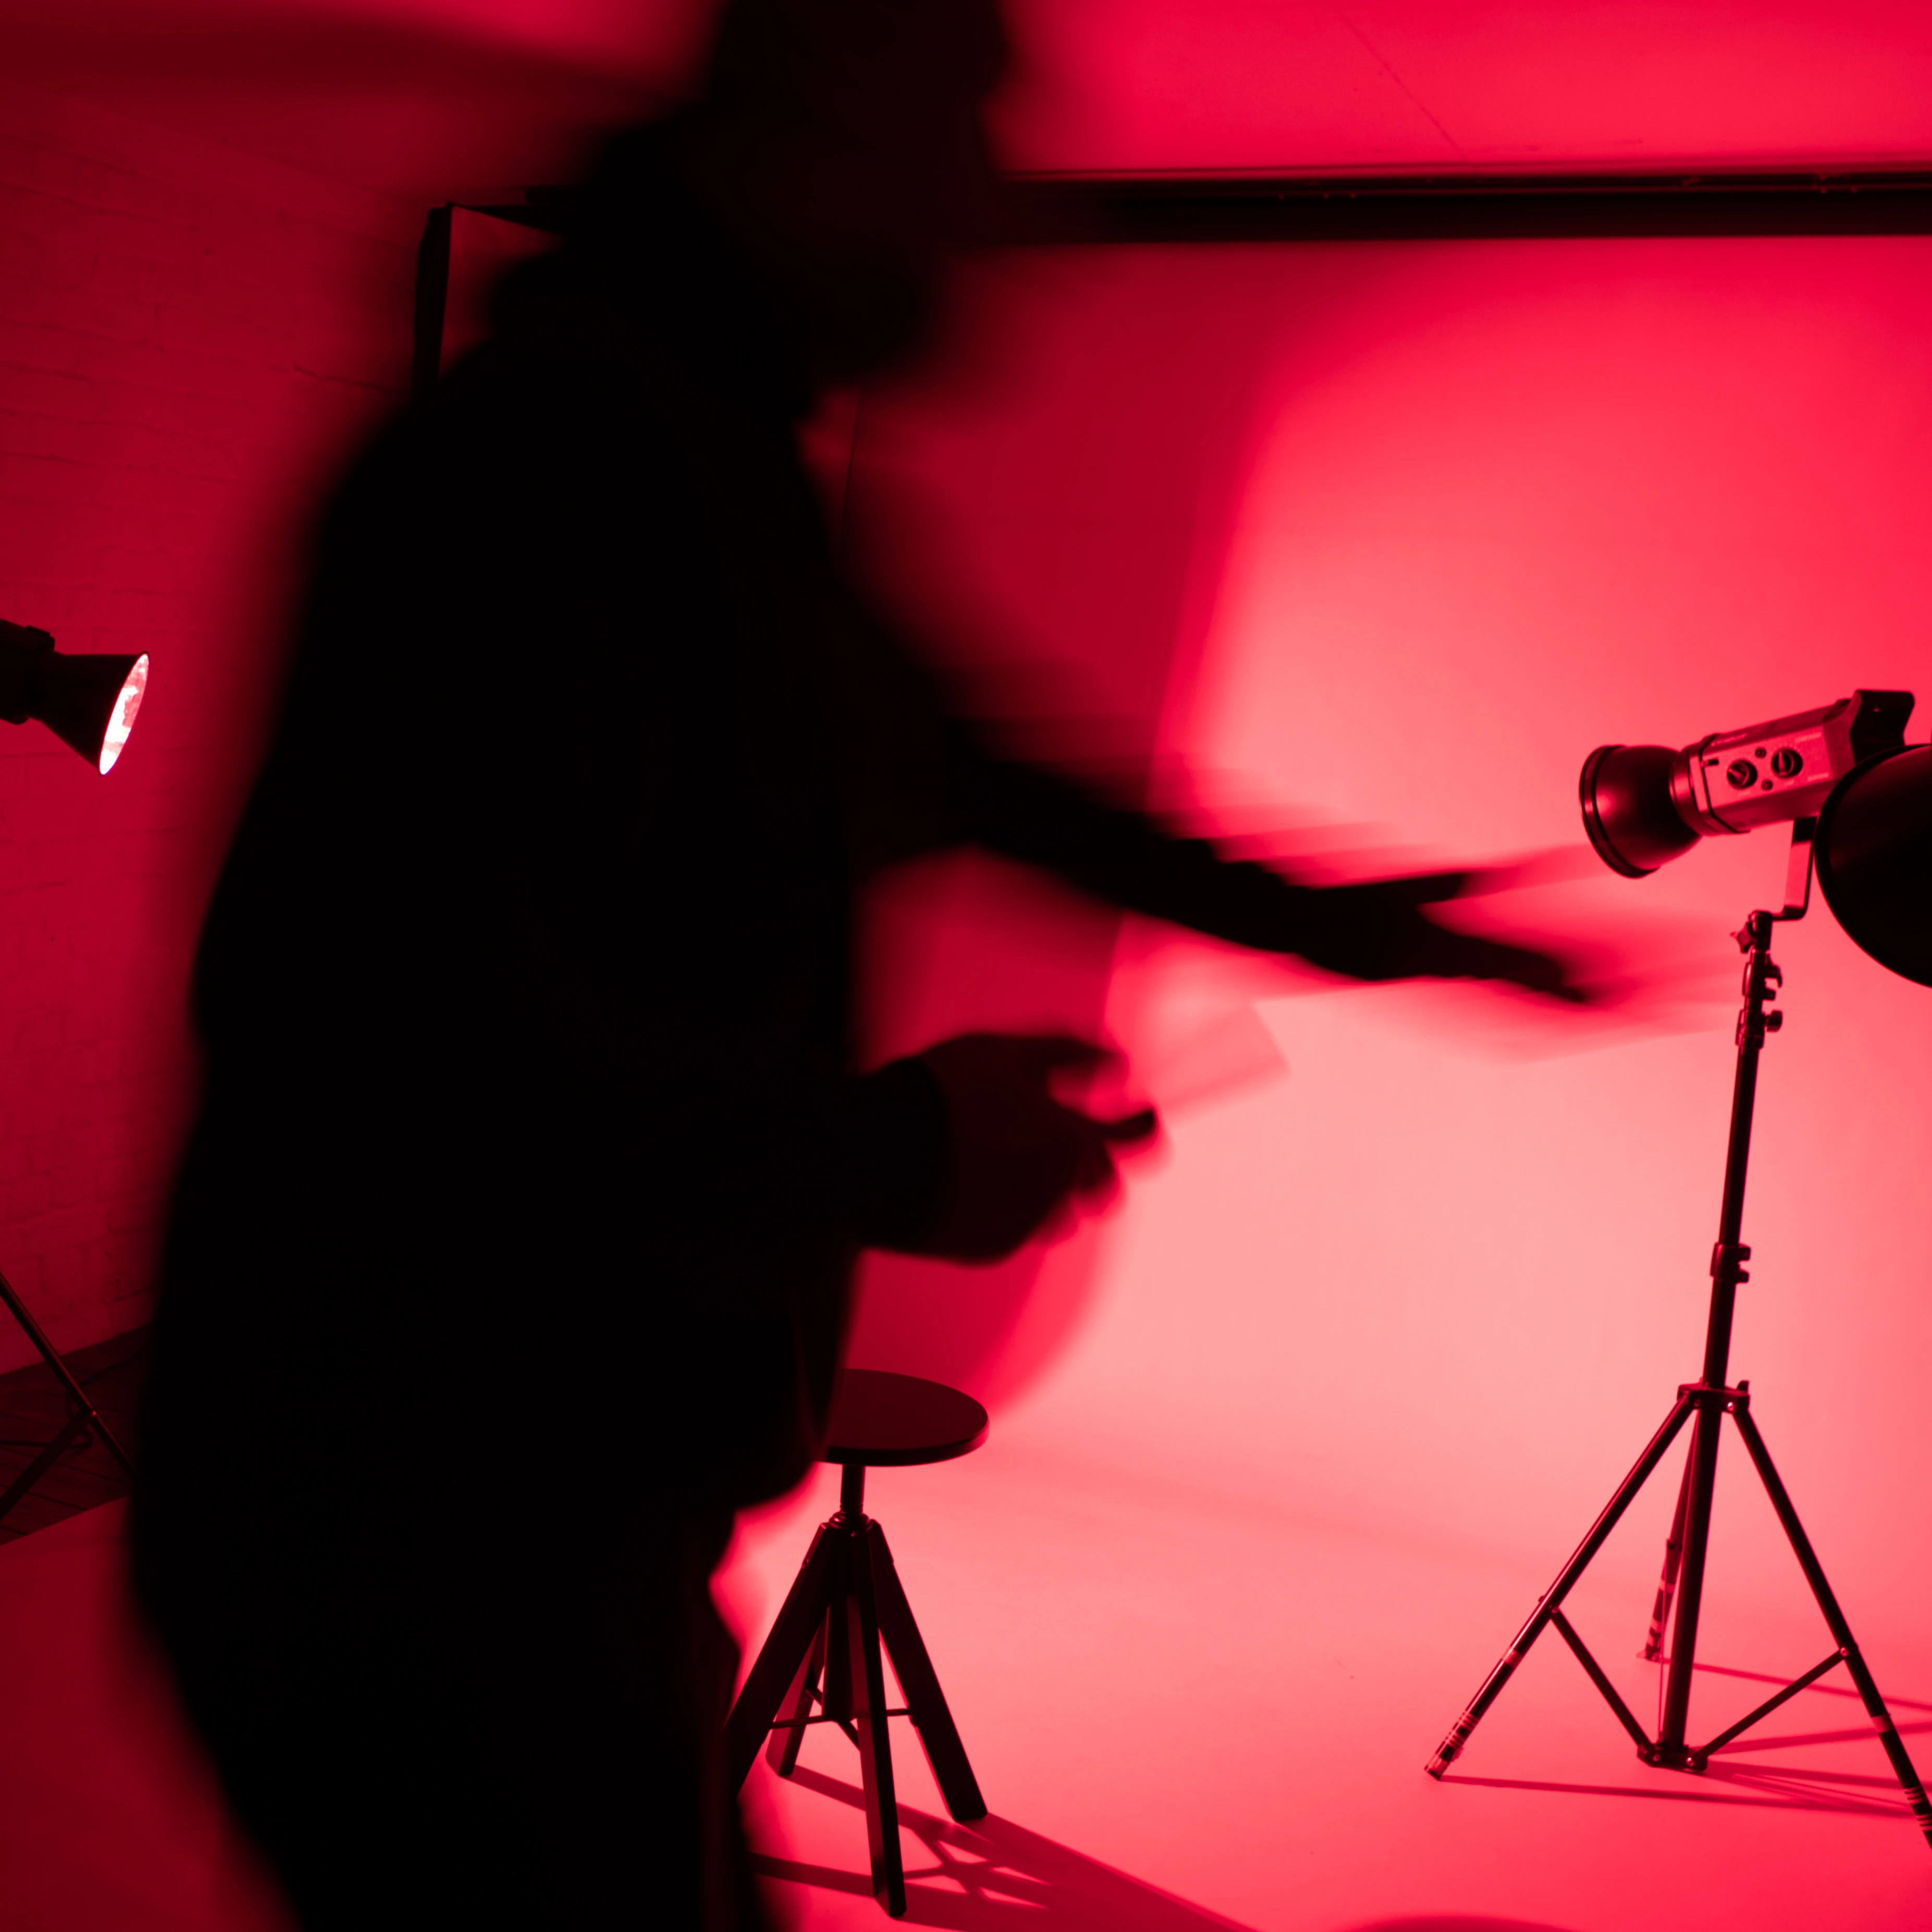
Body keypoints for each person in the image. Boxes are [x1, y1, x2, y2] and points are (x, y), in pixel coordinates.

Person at [128, 2, 1579, 1926]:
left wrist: (1381, 931)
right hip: (408, 1535)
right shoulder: (559, 471)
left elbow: (985, 773)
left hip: (522, 1511)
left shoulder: (708, 462)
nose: (994, 215)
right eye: (960, 145)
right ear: (803, 140)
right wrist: (892, 1153)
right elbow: (382, 1048)